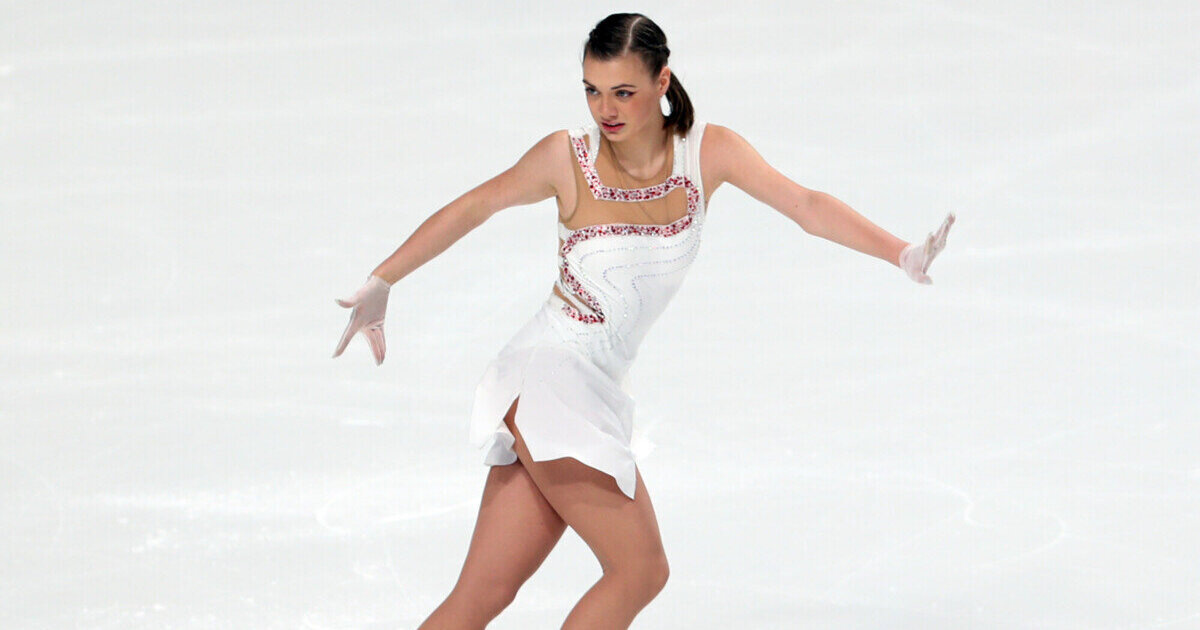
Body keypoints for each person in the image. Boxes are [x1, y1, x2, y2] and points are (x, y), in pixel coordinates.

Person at [331, 12, 954, 630]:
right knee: (640, 570)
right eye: (592, 90)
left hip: (591, 388)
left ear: (662, 81)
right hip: (548, 375)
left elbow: (807, 205)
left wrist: (901, 253)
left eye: (623, 91)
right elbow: (475, 205)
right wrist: (384, 279)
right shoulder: (566, 157)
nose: (605, 109)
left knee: (480, 598)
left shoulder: (707, 152)